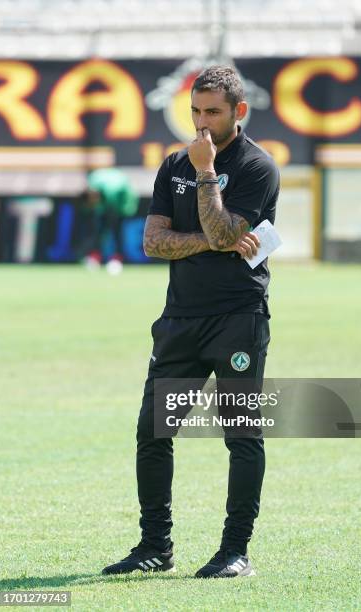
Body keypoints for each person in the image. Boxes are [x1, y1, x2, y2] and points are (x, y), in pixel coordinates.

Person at [102, 65, 280, 578]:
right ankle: (155, 547)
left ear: (238, 112)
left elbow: (227, 229)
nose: (201, 122)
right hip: (180, 319)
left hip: (238, 318)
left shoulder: (256, 167)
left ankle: (235, 552)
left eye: (213, 112)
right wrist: (212, 241)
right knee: (152, 433)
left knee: (242, 435)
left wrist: (206, 174)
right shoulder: (172, 164)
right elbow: (154, 242)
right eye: (195, 111)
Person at [81, 167, 139, 274]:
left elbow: (128, 203)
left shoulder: (114, 191)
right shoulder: (92, 181)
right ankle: (94, 258)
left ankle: (116, 260)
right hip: (106, 204)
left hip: (122, 205)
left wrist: (126, 211)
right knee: (99, 231)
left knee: (117, 232)